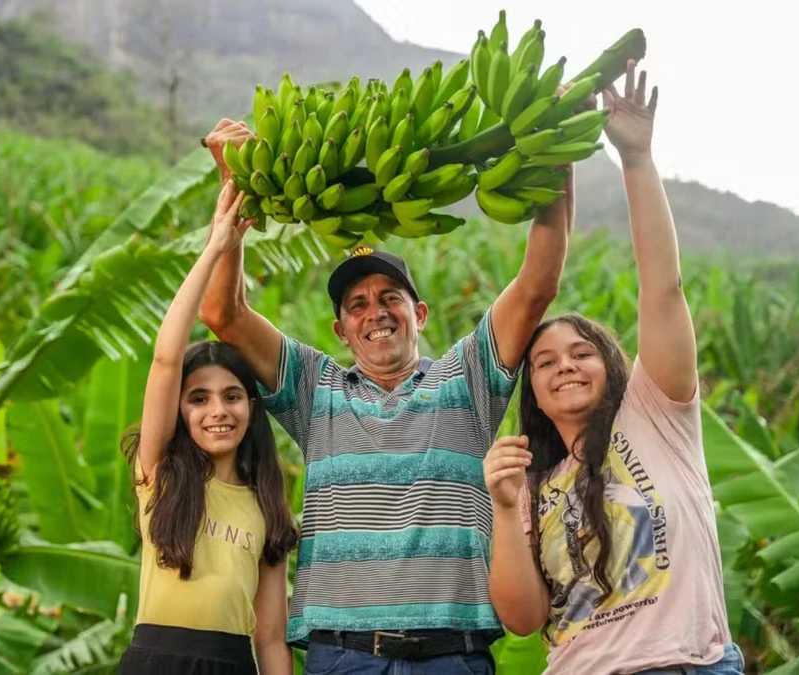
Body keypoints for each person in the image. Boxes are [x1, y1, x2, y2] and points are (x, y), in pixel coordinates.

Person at [197, 98, 575, 673]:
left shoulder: (466, 381)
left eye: (390, 298)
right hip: (344, 655)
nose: (375, 313)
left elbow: (537, 284)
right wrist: (234, 192)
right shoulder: (315, 389)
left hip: (452, 657)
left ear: (418, 313)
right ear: (341, 329)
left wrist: (556, 152)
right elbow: (222, 313)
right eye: (358, 304)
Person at [482, 61, 745, 675]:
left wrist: (636, 159)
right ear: (536, 398)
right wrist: (501, 506)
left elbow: (664, 290)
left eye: (581, 352)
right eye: (544, 362)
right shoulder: (533, 483)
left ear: (612, 366)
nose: (565, 366)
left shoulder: (658, 417)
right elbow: (522, 620)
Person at [118, 180, 299, 675]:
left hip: (232, 664)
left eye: (232, 396)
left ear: (251, 408)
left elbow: (271, 641)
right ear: (180, 410)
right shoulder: (159, 473)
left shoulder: (267, 504)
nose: (217, 410)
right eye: (199, 399)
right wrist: (217, 245)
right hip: (154, 661)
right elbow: (165, 357)